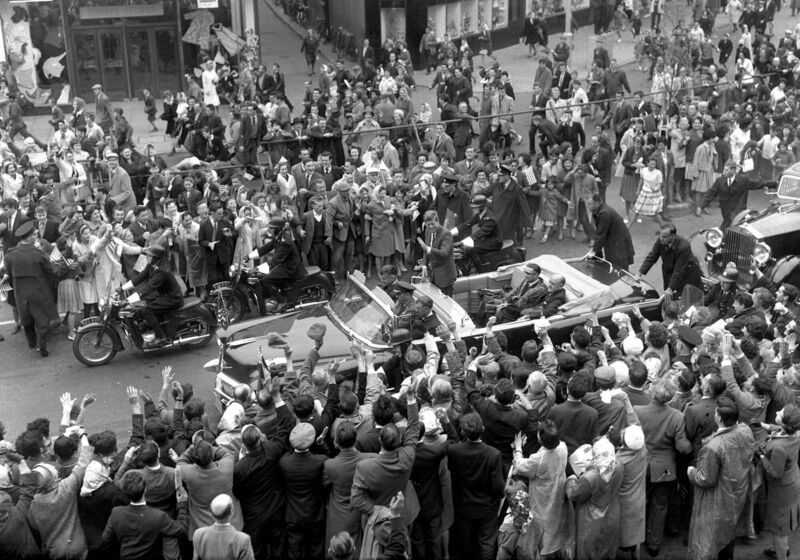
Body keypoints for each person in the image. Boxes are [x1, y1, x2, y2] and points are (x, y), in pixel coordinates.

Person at [687, 397, 755, 560]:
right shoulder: (745, 429)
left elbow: (706, 479)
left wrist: (691, 472)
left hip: (718, 498)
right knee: (729, 530)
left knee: (709, 535)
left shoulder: (713, 447)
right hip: (738, 490)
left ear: (718, 417)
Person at [634, 379, 692, 557]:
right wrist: (692, 446)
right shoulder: (677, 416)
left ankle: (634, 540)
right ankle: (654, 544)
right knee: (659, 505)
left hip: (640, 465)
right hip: (664, 468)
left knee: (637, 502)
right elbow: (682, 447)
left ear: (652, 392)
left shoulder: (637, 411)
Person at [448, 412, 506, 560]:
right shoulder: (493, 455)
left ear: (463, 432)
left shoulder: (454, 451)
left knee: (466, 542)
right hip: (487, 507)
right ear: (483, 429)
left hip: (463, 506)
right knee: (487, 542)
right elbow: (499, 487)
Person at [102, 470, 190, 560]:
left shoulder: (116, 512)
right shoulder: (158, 516)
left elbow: (105, 539)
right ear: (145, 490)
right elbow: (182, 529)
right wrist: (182, 504)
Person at [3, 221, 58, 356]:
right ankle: (42, 345)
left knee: (26, 318)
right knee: (42, 320)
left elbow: (8, 275)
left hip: (21, 293)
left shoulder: (10, 254)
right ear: (28, 237)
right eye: (33, 235)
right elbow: (52, 271)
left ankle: (32, 342)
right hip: (39, 291)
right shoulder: (38, 254)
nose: (35, 236)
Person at [757, 404, 800, 560]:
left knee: (779, 528)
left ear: (785, 423)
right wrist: (762, 425)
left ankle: (781, 554)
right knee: (783, 521)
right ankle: (782, 548)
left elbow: (775, 473)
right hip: (792, 480)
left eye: (780, 413)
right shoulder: (795, 433)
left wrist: (761, 457)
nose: (776, 411)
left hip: (782, 489)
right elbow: (779, 430)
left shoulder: (779, 448)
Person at [118, 244, 183, 348]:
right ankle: (146, 327)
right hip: (162, 294)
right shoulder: (152, 264)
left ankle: (161, 337)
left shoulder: (161, 270)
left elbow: (149, 287)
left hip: (172, 297)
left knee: (146, 310)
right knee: (138, 306)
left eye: (149, 255)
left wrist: (127, 300)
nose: (146, 256)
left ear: (155, 257)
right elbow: (142, 275)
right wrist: (122, 288)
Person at [698, 161, 776, 229]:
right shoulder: (720, 181)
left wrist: (775, 184)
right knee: (729, 229)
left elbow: (758, 183)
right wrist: (701, 206)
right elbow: (710, 194)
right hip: (726, 212)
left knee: (727, 230)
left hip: (738, 212)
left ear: (733, 170)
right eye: (724, 170)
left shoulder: (743, 180)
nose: (723, 172)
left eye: (726, 170)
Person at [248, 216, 306, 307]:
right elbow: (266, 248)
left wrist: (257, 269)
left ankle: (282, 301)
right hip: (285, 265)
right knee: (266, 276)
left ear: (278, 228)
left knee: (265, 280)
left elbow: (275, 260)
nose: (269, 229)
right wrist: (248, 257)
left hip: (290, 268)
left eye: (271, 228)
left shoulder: (284, 241)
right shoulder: (279, 236)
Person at [634, 223, 703, 299]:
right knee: (670, 298)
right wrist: (639, 274)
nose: (660, 239)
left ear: (673, 236)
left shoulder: (684, 246)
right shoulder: (661, 241)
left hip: (687, 275)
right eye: (660, 236)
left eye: (664, 237)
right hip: (670, 273)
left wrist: (670, 288)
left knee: (686, 299)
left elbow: (679, 270)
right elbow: (652, 256)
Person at [453, 195, 501, 273]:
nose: (473, 208)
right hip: (485, 239)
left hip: (494, 242)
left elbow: (480, 233)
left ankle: (481, 272)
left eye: (475, 207)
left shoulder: (490, 219)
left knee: (472, 250)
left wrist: (462, 242)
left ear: (482, 207)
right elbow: (467, 224)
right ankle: (466, 267)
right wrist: (450, 233)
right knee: (464, 250)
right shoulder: (479, 215)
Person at [585, 194, 634, 270]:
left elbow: (600, 235)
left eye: (589, 204)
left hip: (619, 245)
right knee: (614, 267)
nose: (587, 206)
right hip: (615, 242)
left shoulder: (604, 213)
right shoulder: (600, 211)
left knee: (619, 270)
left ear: (597, 203)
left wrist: (594, 252)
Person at [417, 210, 456, 296]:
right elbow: (426, 250)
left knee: (445, 304)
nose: (430, 227)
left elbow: (444, 253)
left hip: (445, 276)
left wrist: (428, 249)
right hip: (434, 275)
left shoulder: (446, 234)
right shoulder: (427, 231)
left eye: (432, 224)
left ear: (437, 221)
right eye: (428, 225)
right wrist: (424, 266)